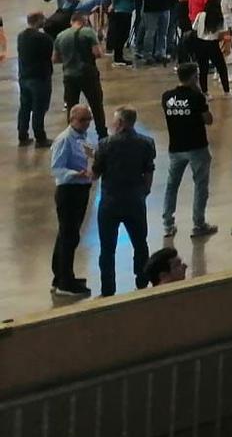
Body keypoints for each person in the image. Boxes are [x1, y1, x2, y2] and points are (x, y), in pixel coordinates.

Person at [92, 106, 154, 298]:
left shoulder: (104, 144)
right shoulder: (146, 143)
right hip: (135, 200)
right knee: (140, 244)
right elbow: (149, 170)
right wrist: (144, 192)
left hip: (110, 202)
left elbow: (95, 174)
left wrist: (91, 158)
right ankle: (142, 283)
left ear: (120, 123)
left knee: (107, 249)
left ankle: (108, 290)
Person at [160, 62, 217, 239]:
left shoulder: (167, 97)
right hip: (197, 147)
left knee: (172, 185)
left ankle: (168, 224)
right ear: (194, 77)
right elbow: (209, 120)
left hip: (176, 147)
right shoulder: (196, 97)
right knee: (200, 185)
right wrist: (201, 95)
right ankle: (198, 223)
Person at [49, 103, 95, 297]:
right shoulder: (64, 140)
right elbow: (57, 168)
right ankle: (65, 283)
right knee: (69, 237)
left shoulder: (84, 137)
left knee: (68, 234)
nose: (87, 123)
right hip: (69, 192)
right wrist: (77, 174)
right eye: (83, 120)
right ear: (72, 119)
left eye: (89, 120)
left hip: (81, 189)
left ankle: (60, 274)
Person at [54, 13, 106, 139]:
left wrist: (68, 59)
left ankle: (72, 135)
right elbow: (97, 53)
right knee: (96, 106)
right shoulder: (88, 32)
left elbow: (55, 59)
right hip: (88, 75)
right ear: (84, 21)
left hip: (69, 76)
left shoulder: (60, 36)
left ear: (71, 21)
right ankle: (102, 134)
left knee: (71, 107)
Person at [17, 10, 54, 148]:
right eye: (43, 19)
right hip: (40, 78)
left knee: (25, 107)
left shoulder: (21, 36)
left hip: (24, 77)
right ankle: (40, 137)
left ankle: (23, 135)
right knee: (39, 109)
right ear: (38, 20)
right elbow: (50, 54)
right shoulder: (43, 38)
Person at [186, 0, 231, 95]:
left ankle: (205, 92)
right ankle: (226, 91)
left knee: (203, 69)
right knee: (222, 68)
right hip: (213, 45)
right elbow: (222, 34)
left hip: (200, 44)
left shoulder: (200, 15)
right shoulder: (220, 18)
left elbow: (194, 28)